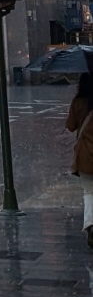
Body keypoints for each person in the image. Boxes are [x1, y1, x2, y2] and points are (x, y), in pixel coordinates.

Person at [66, 69, 93, 247]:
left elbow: (70, 126)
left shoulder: (78, 102)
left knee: (89, 192)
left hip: (85, 156)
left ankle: (91, 225)